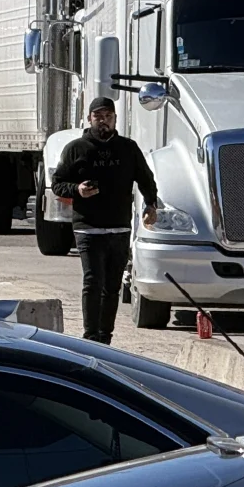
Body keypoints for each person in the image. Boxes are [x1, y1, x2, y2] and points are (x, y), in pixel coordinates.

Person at [50, 96, 157, 344]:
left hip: (119, 227)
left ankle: (105, 338)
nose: (103, 121)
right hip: (88, 228)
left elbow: (145, 178)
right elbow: (57, 184)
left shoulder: (128, 148)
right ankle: (89, 336)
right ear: (89, 119)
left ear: (115, 119)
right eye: (98, 117)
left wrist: (152, 204)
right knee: (92, 281)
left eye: (108, 116)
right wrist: (77, 190)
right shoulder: (76, 148)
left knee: (112, 286)